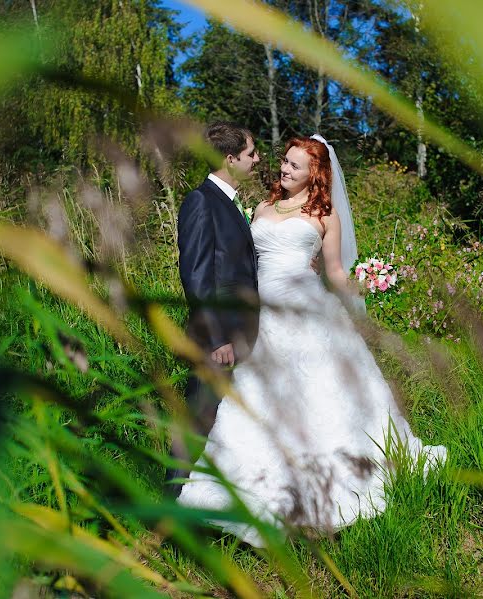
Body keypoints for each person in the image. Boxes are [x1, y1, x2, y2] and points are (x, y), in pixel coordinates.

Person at [176, 135, 447, 546]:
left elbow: (334, 272)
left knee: (320, 395)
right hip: (259, 311)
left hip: (308, 311)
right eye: (284, 162)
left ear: (314, 174)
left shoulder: (325, 214)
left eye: (295, 167)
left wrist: (362, 294)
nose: (284, 170)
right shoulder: (262, 208)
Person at [166, 122, 261, 495]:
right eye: (251, 153)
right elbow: (196, 276)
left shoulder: (232, 204)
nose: (257, 159)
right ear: (230, 158)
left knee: (220, 424)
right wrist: (218, 337)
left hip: (240, 335)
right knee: (197, 422)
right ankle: (168, 508)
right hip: (216, 339)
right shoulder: (201, 201)